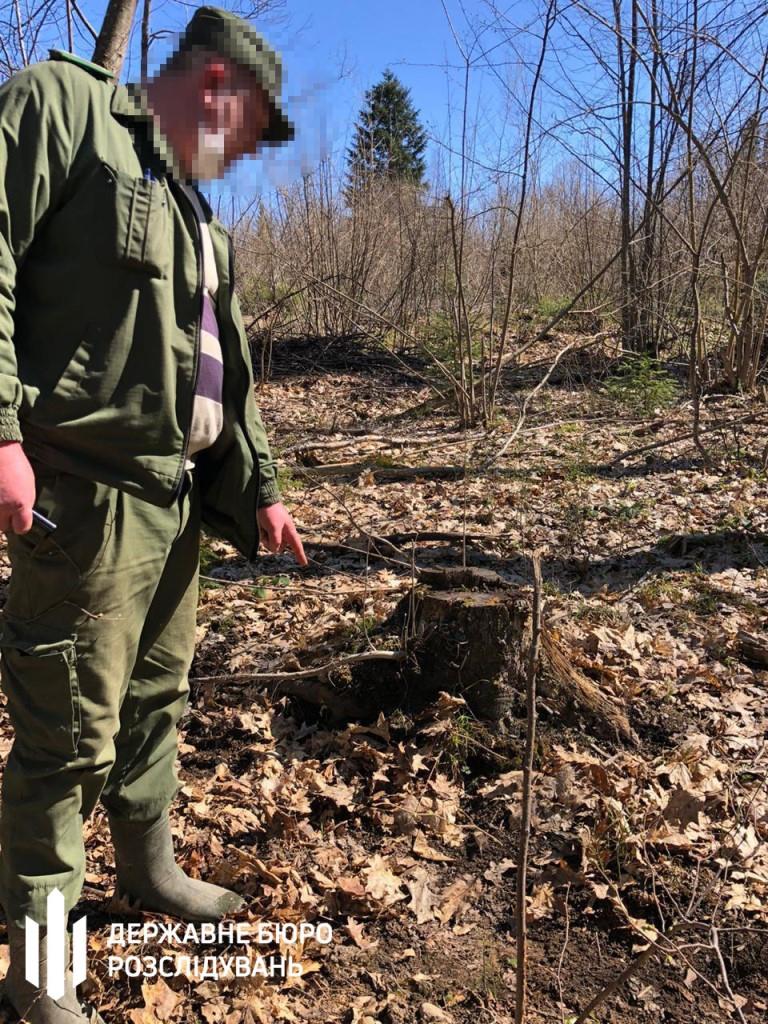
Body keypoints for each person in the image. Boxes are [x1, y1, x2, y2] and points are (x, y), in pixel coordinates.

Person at [0, 7, 306, 1021]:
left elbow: (227, 373)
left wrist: (258, 488)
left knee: (152, 708)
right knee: (64, 738)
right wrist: (1, 433)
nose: (246, 155)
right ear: (217, 85)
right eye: (251, 131)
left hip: (177, 509)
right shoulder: (65, 110)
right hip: (82, 499)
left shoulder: (196, 215)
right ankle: (39, 974)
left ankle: (147, 869)